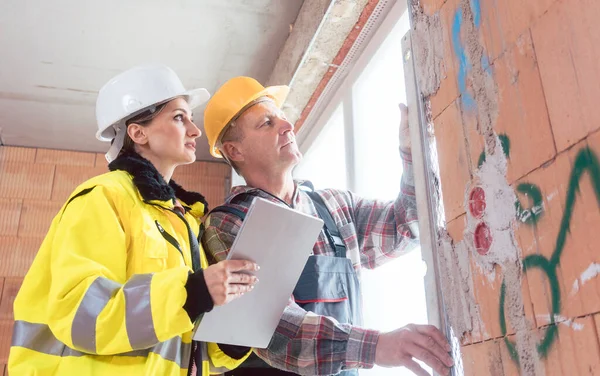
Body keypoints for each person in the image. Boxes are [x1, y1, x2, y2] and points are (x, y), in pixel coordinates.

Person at [8, 65, 258, 376]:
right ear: (138, 132)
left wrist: (230, 340)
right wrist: (192, 292)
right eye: (180, 117)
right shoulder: (103, 196)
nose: (195, 131)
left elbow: (183, 341)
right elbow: (82, 313)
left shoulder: (185, 221)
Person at [200, 77, 454, 376]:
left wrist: (413, 154)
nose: (287, 126)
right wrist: (376, 346)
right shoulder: (227, 223)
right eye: (267, 123)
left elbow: (406, 226)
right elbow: (275, 330)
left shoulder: (336, 207)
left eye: (283, 118)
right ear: (235, 150)